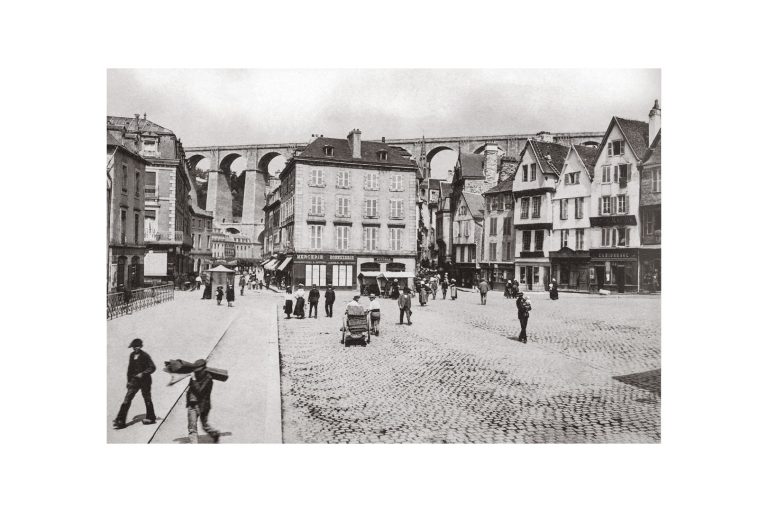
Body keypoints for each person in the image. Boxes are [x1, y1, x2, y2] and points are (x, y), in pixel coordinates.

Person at [113, 338, 156, 429]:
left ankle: (151, 418)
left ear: (140, 346)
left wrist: (143, 373)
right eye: (134, 347)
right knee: (127, 399)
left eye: (137, 346)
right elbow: (129, 370)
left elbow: (152, 367)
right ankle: (120, 420)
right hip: (134, 381)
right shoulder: (132, 355)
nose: (135, 348)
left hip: (145, 381)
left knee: (147, 399)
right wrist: (128, 381)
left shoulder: (145, 356)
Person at [186, 359, 221, 443]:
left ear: (204, 369)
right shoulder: (194, 376)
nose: (197, 372)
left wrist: (194, 379)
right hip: (192, 405)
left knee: (205, 426)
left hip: (203, 406)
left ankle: (214, 434)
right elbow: (191, 389)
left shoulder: (208, 379)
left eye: (198, 371)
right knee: (192, 429)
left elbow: (200, 391)